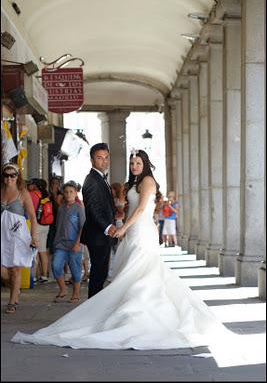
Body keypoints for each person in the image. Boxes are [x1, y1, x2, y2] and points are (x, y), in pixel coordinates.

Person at [10, 150, 237, 357]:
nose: (135, 166)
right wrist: (120, 219)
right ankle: (124, 313)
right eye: (132, 163)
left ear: (145, 164)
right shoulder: (133, 182)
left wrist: (123, 228)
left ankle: (139, 317)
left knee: (142, 275)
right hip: (131, 233)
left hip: (140, 233)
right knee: (129, 275)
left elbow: (140, 209)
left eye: (138, 162)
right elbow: (126, 206)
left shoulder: (147, 181)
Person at [79, 143, 117, 299]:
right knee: (97, 275)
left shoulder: (100, 178)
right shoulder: (92, 180)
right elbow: (94, 210)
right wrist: (108, 227)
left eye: (106, 157)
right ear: (92, 160)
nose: (104, 161)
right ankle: (92, 309)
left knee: (100, 274)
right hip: (98, 236)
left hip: (101, 236)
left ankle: (95, 307)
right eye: (99, 158)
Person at [1, 163, 39, 314]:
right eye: (6, 175)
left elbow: (33, 217)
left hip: (18, 235)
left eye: (13, 175)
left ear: (18, 176)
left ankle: (12, 301)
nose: (9, 178)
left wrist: (34, 237)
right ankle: (15, 290)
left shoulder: (23, 193)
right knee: (5, 271)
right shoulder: (1, 191)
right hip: (3, 235)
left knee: (15, 268)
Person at [52, 180, 86, 303]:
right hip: (60, 243)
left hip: (74, 244)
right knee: (56, 265)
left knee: (75, 269)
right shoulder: (61, 208)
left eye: (71, 191)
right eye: (66, 192)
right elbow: (58, 225)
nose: (68, 194)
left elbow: (83, 227)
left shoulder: (79, 208)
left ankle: (75, 294)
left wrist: (78, 243)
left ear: (76, 193)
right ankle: (63, 289)